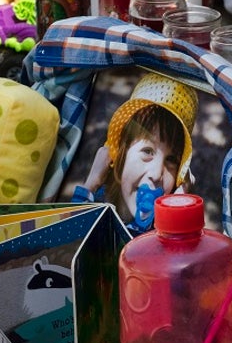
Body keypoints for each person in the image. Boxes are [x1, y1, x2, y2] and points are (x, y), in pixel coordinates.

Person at [74, 73, 198, 234]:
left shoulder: (159, 229)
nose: (156, 174)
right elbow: (71, 241)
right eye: (147, 151)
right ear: (120, 154)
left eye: (171, 160)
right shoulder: (95, 203)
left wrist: (178, 202)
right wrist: (91, 184)